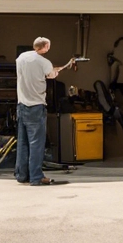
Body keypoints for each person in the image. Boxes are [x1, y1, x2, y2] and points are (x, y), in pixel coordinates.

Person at [13, 36, 75, 186]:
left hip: (21, 105)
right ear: (46, 46)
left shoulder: (21, 57)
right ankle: (36, 177)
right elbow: (51, 75)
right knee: (36, 143)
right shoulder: (44, 62)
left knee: (23, 143)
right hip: (36, 107)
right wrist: (56, 71)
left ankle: (22, 175)